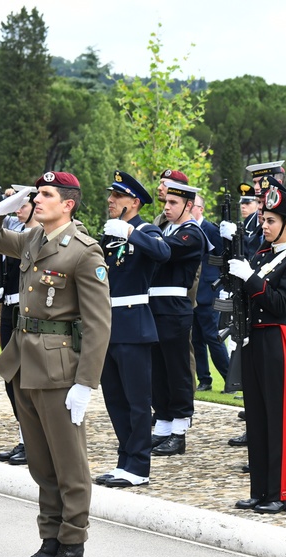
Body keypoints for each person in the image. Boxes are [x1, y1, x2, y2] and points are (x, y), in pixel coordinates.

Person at [0, 170, 111, 557]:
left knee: (69, 466)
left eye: (46, 194)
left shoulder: (84, 252)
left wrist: (86, 384)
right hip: (25, 364)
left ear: (68, 204)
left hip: (59, 372)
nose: (37, 200)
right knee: (42, 464)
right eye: (36, 194)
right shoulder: (34, 239)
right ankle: (49, 542)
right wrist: (1, 207)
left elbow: (98, 324)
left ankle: (73, 551)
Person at [228, 184, 286, 514]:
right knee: (258, 417)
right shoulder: (262, 255)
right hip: (254, 339)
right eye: (263, 219)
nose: (264, 226)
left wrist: (250, 279)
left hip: (279, 340)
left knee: (280, 417)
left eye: (271, 221)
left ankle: (281, 492)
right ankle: (260, 490)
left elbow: (279, 303)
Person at [95, 170, 169, 488]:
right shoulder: (109, 235)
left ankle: (139, 465)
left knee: (138, 401)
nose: (110, 201)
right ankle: (125, 460)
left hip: (134, 324)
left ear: (133, 203)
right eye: (111, 196)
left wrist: (129, 232)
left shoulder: (146, 231)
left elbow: (163, 253)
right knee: (115, 398)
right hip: (106, 326)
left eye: (118, 196)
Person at [149, 180, 206, 457]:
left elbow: (164, 250)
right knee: (158, 368)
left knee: (177, 369)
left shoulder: (191, 233)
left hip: (174, 307)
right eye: (166, 202)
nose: (167, 207)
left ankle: (179, 430)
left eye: (174, 203)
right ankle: (162, 425)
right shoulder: (164, 228)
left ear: (188, 205)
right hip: (155, 305)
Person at [0, 191, 38, 466]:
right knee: (11, 380)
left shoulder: (37, 237)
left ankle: (32, 441)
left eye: (24, 204)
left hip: (26, 310)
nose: (19, 209)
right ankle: (24, 437)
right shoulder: (18, 233)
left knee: (24, 379)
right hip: (8, 309)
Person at [192, 192, 230, 392]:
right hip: (192, 292)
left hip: (209, 291)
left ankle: (230, 379)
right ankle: (204, 379)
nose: (189, 208)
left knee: (213, 337)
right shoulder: (187, 229)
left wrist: (221, 284)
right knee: (196, 340)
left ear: (201, 209)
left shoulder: (210, 229)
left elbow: (223, 257)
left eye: (193, 205)